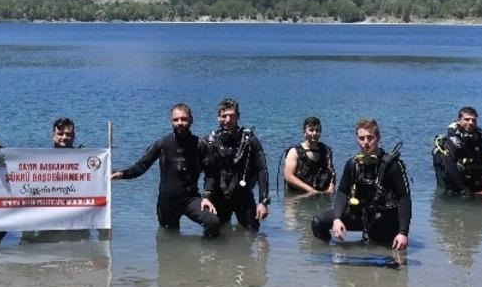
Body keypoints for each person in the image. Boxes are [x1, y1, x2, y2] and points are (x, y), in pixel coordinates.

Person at [111, 104, 220, 238]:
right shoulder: (162, 143)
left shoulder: (200, 144)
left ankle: (206, 255)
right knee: (168, 240)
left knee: (213, 222)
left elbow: (211, 174)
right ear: (171, 122)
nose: (180, 123)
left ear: (191, 120)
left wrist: (207, 197)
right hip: (167, 202)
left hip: (190, 199)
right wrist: (122, 174)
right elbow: (141, 166)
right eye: (176, 120)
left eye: (183, 119)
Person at [311, 119, 412, 250]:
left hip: (384, 220)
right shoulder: (352, 164)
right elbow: (342, 192)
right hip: (360, 215)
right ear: (357, 139)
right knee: (318, 222)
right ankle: (329, 254)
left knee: (382, 256)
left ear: (378, 138)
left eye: (370, 137)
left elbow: (404, 198)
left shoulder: (392, 166)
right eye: (361, 138)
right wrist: (337, 219)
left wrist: (403, 233)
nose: (366, 143)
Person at [203, 98, 269, 231]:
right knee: (212, 235)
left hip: (243, 195)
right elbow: (198, 170)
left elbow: (263, 171)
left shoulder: (251, 141)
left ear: (238, 116)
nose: (227, 120)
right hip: (219, 196)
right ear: (218, 118)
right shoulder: (209, 142)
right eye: (224, 116)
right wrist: (205, 198)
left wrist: (263, 202)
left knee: (253, 233)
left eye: (231, 116)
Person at [433, 106, 482, 196]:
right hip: (457, 192)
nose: (470, 123)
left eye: (473, 120)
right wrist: (464, 190)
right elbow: (450, 168)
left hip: (477, 189)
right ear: (459, 120)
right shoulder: (450, 142)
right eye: (466, 119)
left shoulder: (478, 137)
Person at [283, 116, 335, 195]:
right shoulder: (294, 152)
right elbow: (288, 176)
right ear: (304, 132)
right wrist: (310, 190)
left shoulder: (325, 150)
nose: (314, 133)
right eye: (311, 130)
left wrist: (331, 187)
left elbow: (331, 172)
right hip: (298, 196)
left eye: (317, 130)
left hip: (320, 195)